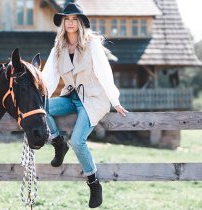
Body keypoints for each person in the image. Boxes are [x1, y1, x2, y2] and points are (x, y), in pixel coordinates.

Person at [41, 2, 128, 208]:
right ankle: (57, 143)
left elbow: (105, 73)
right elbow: (49, 78)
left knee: (78, 141)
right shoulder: (58, 48)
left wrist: (114, 101)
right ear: (63, 23)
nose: (70, 23)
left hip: (93, 98)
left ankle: (94, 182)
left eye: (74, 19)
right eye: (67, 19)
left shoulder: (92, 45)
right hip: (72, 96)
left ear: (80, 23)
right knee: (42, 108)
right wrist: (40, 96)